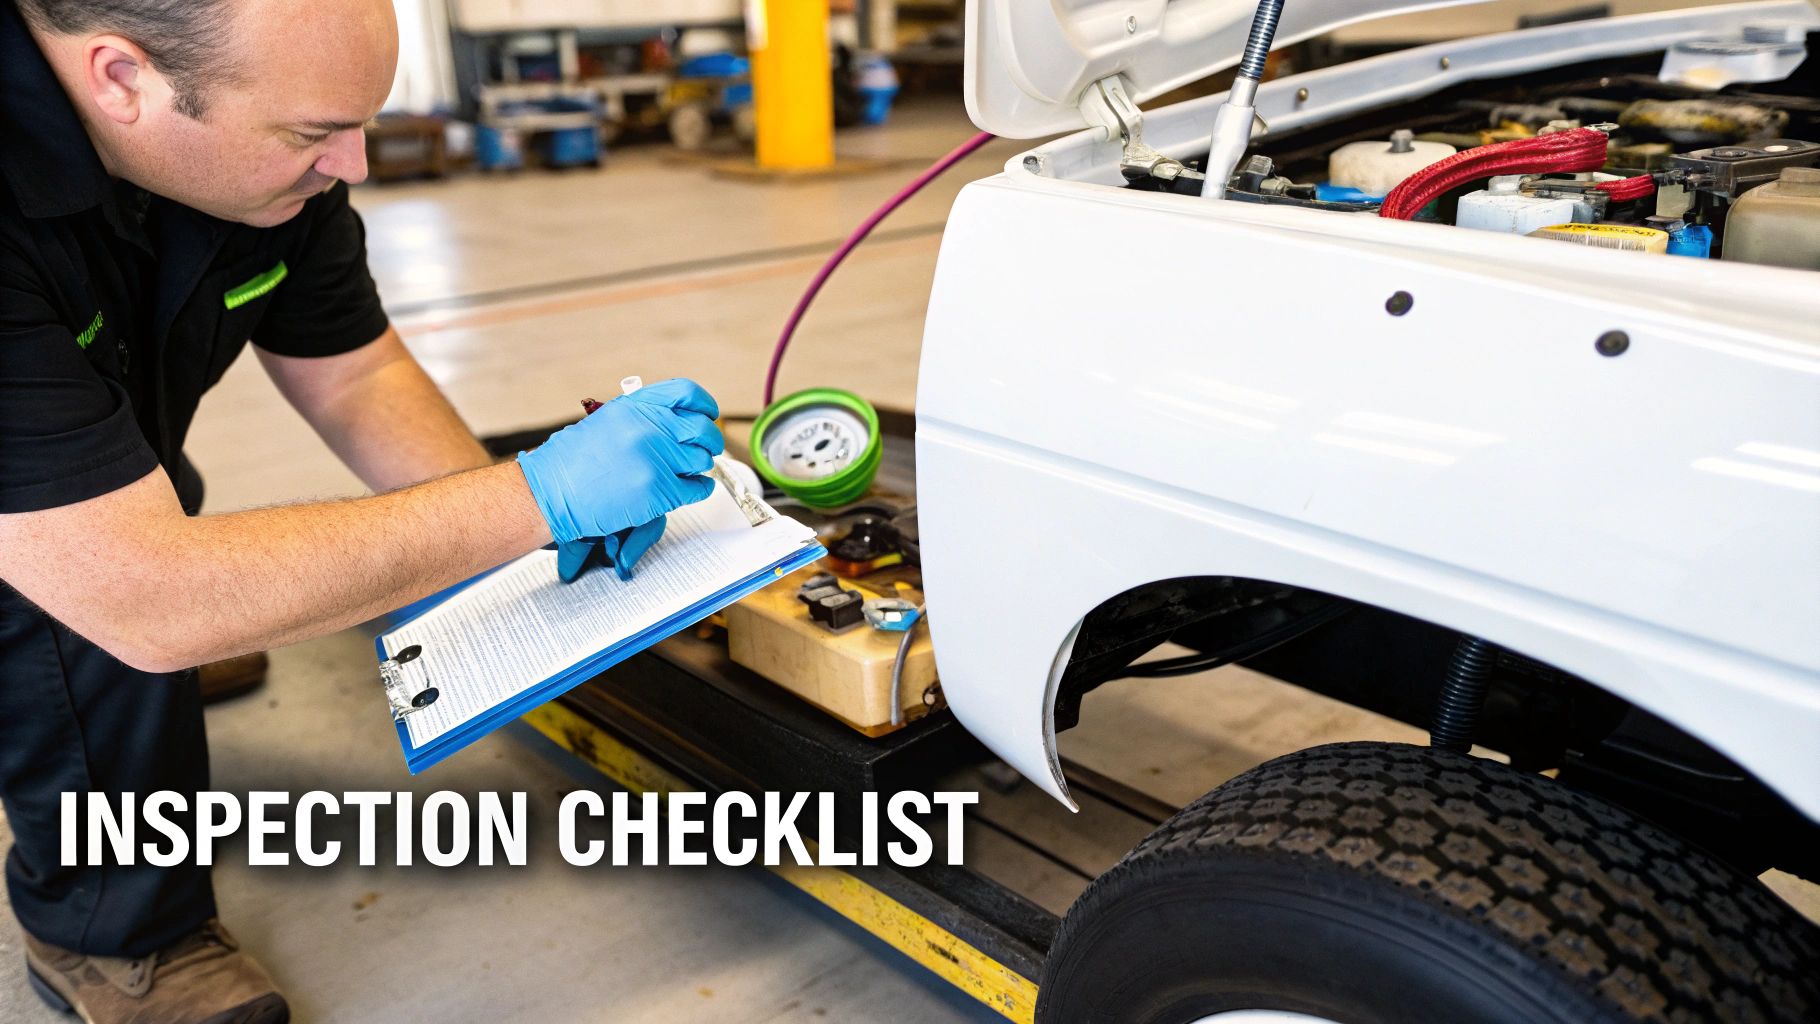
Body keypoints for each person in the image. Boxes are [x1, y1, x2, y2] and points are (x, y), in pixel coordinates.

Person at [0, 1, 722, 1020]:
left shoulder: (252, 136)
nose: (356, 165)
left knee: (146, 497)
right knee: (77, 624)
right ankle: (112, 930)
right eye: (313, 136)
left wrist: (531, 542)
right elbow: (143, 592)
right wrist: (533, 493)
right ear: (121, 80)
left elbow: (353, 375)